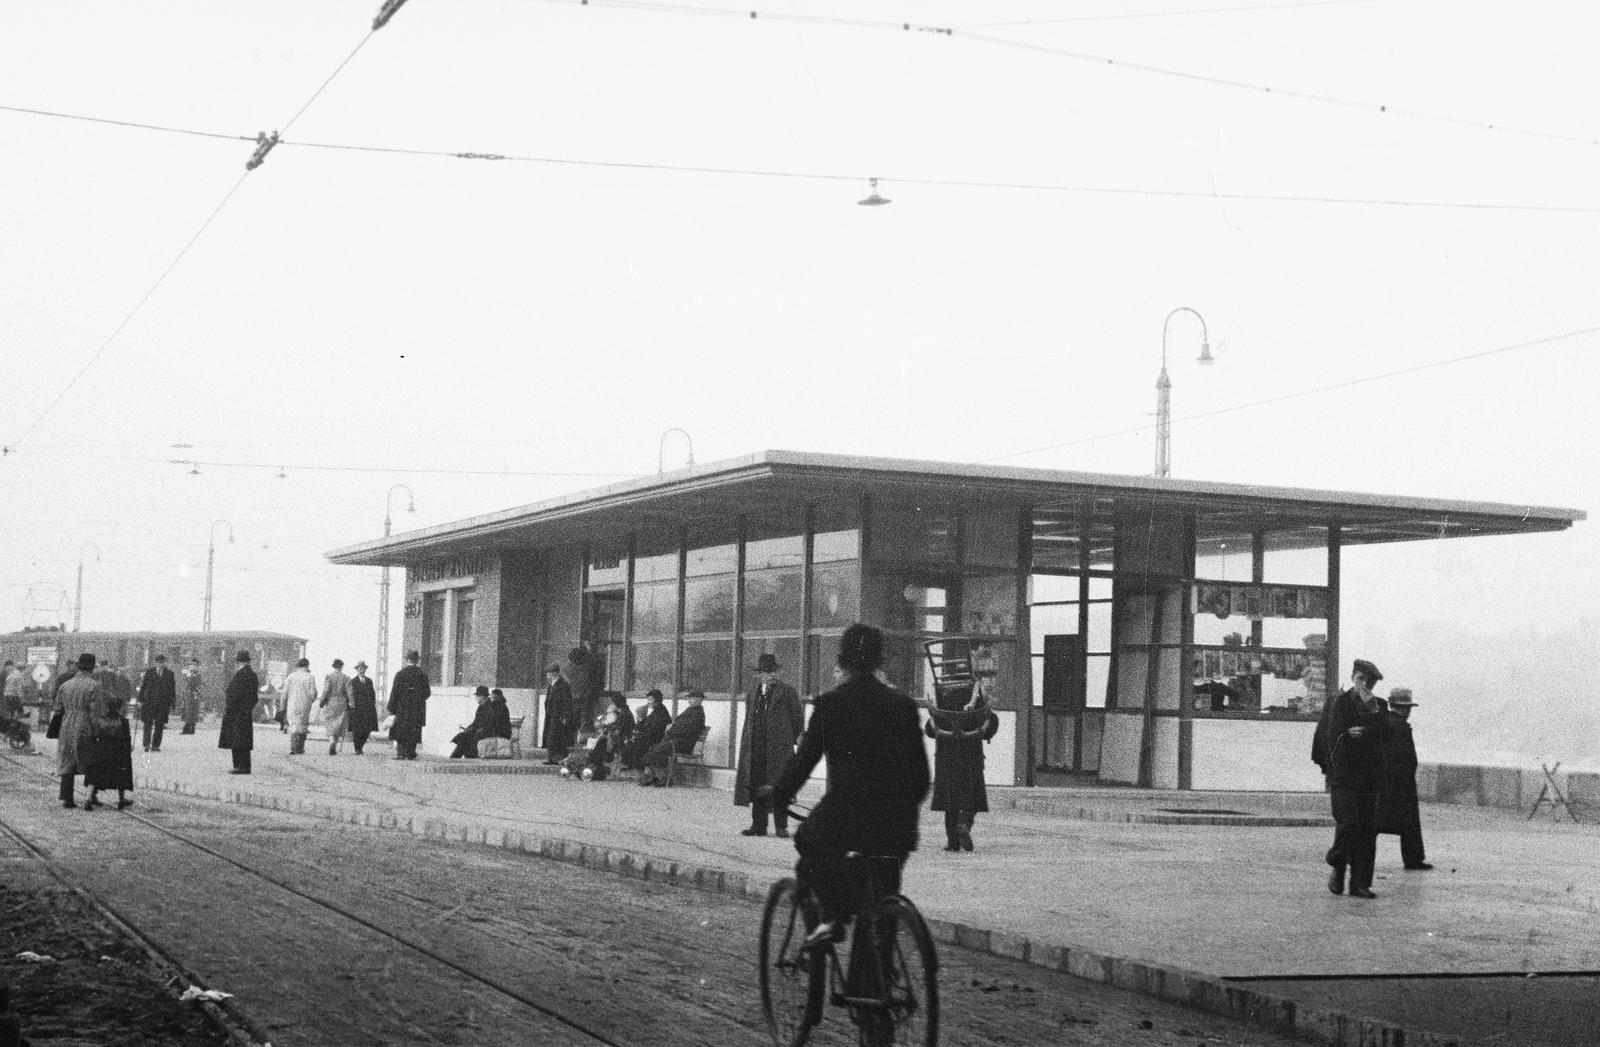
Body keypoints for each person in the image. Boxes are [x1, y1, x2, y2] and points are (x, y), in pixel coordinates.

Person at [763, 623, 931, 953]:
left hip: (847, 815)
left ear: (844, 661)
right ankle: (877, 988)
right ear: (878, 661)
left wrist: (780, 793)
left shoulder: (831, 704)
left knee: (807, 841)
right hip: (897, 824)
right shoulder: (903, 706)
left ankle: (834, 917)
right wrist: (902, 807)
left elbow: (803, 762)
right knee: (883, 901)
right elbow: (922, 777)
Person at [1323, 658, 1391, 899]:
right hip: (1343, 776)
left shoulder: (1379, 706)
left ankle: (1360, 883)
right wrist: (1346, 734)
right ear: (1352, 678)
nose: (1362, 684)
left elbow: (1386, 735)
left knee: (1366, 831)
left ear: (1372, 684)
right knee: (1349, 824)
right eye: (1359, 678)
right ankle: (1337, 864)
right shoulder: (1339, 703)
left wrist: (1371, 716)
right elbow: (1331, 736)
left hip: (1369, 778)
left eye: (1367, 681)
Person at [925, 680, 1000, 852]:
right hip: (971, 761)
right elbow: (988, 730)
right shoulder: (978, 709)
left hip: (946, 762)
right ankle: (964, 824)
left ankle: (952, 843)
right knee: (972, 800)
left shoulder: (943, 706)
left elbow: (930, 731)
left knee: (950, 803)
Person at [735, 653, 805, 838]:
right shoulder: (753, 693)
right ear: (759, 675)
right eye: (767, 672)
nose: (771, 675)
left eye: (774, 671)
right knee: (757, 784)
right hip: (756, 747)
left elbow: (797, 717)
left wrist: (798, 736)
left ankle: (781, 826)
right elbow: (749, 720)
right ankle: (759, 826)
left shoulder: (787, 691)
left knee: (778, 784)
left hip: (778, 748)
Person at [1377, 688, 1432, 871]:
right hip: (1401, 782)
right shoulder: (1400, 726)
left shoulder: (1386, 722)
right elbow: (1404, 756)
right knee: (1409, 821)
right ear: (1406, 708)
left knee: (1378, 821)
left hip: (1386, 781)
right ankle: (1413, 859)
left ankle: (1355, 855)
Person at [53, 653, 105, 808]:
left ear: (78, 667)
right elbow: (97, 712)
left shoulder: (65, 685)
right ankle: (91, 796)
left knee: (67, 759)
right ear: (92, 669)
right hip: (85, 724)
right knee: (92, 759)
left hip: (66, 724)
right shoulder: (95, 686)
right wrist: (99, 731)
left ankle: (67, 798)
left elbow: (58, 706)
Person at [639, 690, 706, 787]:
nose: (692, 700)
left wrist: (671, 732)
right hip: (676, 740)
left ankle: (662, 777)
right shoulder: (690, 710)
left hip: (684, 743)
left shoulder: (698, 714)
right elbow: (678, 726)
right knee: (653, 748)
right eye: (690, 698)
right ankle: (654, 775)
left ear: (701, 700)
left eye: (695, 698)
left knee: (658, 749)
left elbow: (688, 730)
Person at [82, 693, 134, 811]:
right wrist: (129, 748)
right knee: (122, 772)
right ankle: (121, 799)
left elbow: (94, 736)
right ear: (120, 708)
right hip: (118, 754)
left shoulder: (100, 720)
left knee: (94, 775)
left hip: (101, 752)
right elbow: (127, 739)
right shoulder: (123, 722)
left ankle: (88, 799)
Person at [219, 650, 260, 774]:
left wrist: (230, 705)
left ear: (238, 661)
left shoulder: (240, 674)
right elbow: (254, 696)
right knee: (244, 739)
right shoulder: (252, 675)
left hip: (235, 711)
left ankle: (239, 766)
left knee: (236, 739)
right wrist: (248, 707)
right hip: (245, 711)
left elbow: (234, 694)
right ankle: (244, 766)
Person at [387, 649, 430, 760]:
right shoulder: (423, 675)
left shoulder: (400, 674)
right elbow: (427, 693)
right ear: (417, 660)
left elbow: (394, 692)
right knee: (414, 731)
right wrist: (418, 700)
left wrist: (391, 708)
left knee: (401, 731)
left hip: (402, 709)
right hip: (416, 709)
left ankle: (400, 753)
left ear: (407, 660)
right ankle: (411, 753)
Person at [619, 689, 671, 771]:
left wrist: (639, 734)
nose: (648, 702)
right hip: (649, 736)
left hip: (656, 739)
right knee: (631, 741)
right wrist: (639, 722)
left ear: (657, 699)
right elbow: (645, 723)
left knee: (635, 743)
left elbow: (654, 729)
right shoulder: (656, 711)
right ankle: (632, 765)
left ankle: (638, 767)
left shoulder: (661, 712)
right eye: (648, 699)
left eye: (650, 699)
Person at [137, 654, 176, 753]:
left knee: (159, 725)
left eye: (162, 662)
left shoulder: (169, 674)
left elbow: (172, 689)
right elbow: (143, 686)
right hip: (149, 702)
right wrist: (140, 700)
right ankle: (146, 744)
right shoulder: (149, 672)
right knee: (147, 724)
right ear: (155, 663)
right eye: (158, 662)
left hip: (163, 703)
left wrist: (172, 702)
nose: (160, 664)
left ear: (164, 662)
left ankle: (156, 745)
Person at [540, 664, 577, 765]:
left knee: (557, 736)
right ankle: (551, 758)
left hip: (559, 715)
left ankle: (558, 758)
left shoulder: (563, 685)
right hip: (551, 715)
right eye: (548, 674)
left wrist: (565, 716)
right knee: (550, 736)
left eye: (550, 673)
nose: (548, 676)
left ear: (555, 673)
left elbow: (567, 702)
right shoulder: (551, 685)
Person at [282, 658, 318, 756]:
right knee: (303, 725)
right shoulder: (310, 677)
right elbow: (313, 693)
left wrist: (283, 705)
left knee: (293, 724)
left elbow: (284, 693)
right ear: (307, 666)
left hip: (292, 703)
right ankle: (300, 747)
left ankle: (293, 748)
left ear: (298, 666)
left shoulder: (291, 676)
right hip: (305, 704)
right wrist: (311, 700)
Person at [450, 686, 495, 758]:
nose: (476, 698)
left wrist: (473, 729)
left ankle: (456, 758)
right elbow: (476, 722)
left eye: (477, 696)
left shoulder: (491, 706)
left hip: (486, 731)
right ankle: (456, 757)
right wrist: (468, 729)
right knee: (463, 736)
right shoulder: (481, 707)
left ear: (482, 697)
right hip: (478, 730)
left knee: (466, 738)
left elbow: (489, 723)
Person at [320, 658, 352, 755]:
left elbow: (326, 690)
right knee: (339, 724)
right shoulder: (346, 678)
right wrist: (351, 704)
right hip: (342, 703)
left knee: (329, 723)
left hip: (331, 702)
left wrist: (321, 701)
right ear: (341, 667)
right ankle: (335, 744)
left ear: (334, 666)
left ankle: (331, 742)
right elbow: (349, 693)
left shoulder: (329, 677)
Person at [347, 660, 379, 754]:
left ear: (365, 669)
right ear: (357, 670)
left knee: (367, 729)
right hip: (357, 709)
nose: (362, 670)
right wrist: (351, 707)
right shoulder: (353, 681)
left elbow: (372, 694)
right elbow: (350, 695)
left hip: (368, 709)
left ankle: (360, 745)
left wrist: (372, 704)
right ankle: (357, 748)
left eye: (363, 668)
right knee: (357, 729)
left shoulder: (369, 681)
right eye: (360, 668)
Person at [179, 656, 203, 733]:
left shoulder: (196, 675)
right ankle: (190, 727)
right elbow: (184, 681)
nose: (190, 666)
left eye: (193, 665)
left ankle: (189, 727)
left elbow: (194, 683)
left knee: (191, 711)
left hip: (193, 695)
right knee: (188, 711)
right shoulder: (187, 673)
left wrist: (189, 675)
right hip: (187, 695)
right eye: (190, 665)